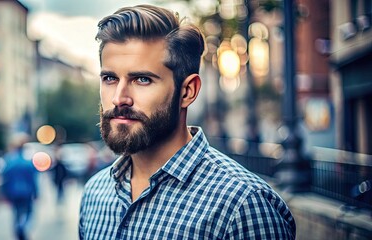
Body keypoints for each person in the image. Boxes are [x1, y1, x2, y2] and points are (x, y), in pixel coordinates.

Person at [79, 4, 296, 239]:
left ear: (187, 92)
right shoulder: (95, 193)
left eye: (142, 79)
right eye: (110, 78)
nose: (119, 98)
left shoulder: (243, 205)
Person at [1, 133, 38, 240]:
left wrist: (4, 193)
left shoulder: (9, 162)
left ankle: (18, 227)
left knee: (16, 213)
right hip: (27, 192)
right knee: (28, 212)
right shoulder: (27, 162)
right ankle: (23, 226)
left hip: (13, 192)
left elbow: (5, 179)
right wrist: (36, 193)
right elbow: (33, 180)